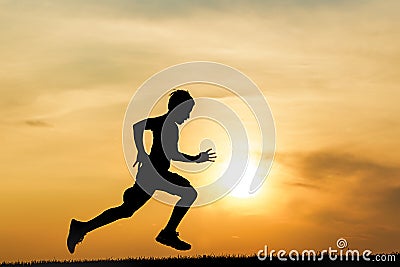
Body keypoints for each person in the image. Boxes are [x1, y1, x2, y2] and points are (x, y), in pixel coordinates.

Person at [67, 90, 216, 253]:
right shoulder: (168, 125)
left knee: (126, 210)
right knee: (189, 194)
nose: (187, 117)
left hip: (152, 174)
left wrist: (142, 151)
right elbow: (170, 151)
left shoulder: (165, 123)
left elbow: (139, 127)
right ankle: (167, 233)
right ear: (178, 108)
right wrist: (195, 158)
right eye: (187, 112)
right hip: (155, 174)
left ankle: (82, 227)